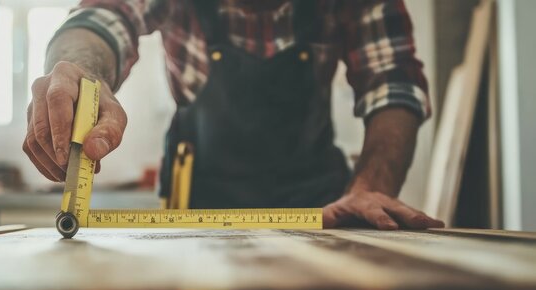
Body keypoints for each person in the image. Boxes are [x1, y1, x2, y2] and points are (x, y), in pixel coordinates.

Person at [23, 0, 445, 230]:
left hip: (322, 207)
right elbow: (101, 18)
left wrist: (371, 188)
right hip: (196, 202)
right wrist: (84, 76)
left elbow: (394, 82)